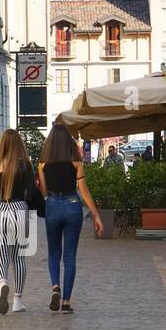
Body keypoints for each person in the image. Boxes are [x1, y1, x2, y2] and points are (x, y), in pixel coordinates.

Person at [37, 121, 104, 313]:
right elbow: (83, 190)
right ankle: (66, 302)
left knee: (53, 252)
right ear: (68, 142)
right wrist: (96, 215)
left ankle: (55, 288)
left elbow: (42, 191)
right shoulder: (76, 162)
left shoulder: (42, 164)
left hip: (52, 206)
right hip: (73, 207)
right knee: (70, 256)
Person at [0, 129, 43, 314]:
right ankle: (17, 301)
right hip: (19, 209)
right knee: (18, 258)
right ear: (19, 144)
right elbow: (32, 192)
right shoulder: (24, 165)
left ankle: (2, 284)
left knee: (0, 257)